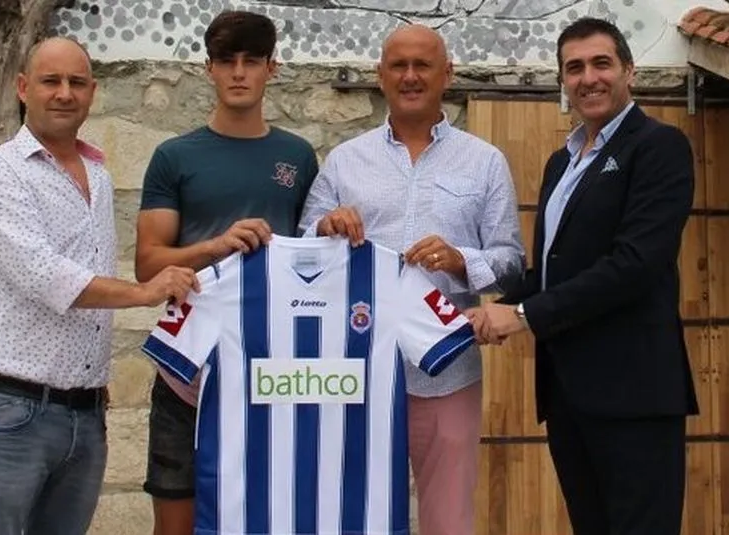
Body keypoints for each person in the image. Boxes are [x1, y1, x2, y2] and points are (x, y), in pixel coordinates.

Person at [0, 37, 199, 535]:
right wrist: (145, 292)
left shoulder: (98, 175)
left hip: (85, 415)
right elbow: (43, 275)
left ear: (92, 92)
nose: (64, 93)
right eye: (51, 81)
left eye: (76, 82)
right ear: (23, 88)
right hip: (11, 413)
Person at [470, 17, 700, 535]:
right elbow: (554, 271)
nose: (588, 78)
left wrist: (523, 315)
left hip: (634, 393)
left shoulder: (659, 147)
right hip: (569, 392)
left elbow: (635, 264)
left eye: (601, 63)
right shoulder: (562, 162)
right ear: (562, 80)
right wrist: (491, 307)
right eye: (574, 68)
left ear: (629, 72)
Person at [298, 24, 525, 535]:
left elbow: (512, 260)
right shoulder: (344, 160)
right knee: (357, 518)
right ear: (380, 76)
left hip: (447, 373)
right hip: (357, 371)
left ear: (448, 75)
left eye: (423, 65)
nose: (410, 76)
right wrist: (325, 228)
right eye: (398, 65)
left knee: (448, 521)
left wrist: (461, 260)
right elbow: (303, 249)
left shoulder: (485, 162)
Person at [133, 10, 319, 535]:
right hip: (187, 363)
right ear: (208, 70)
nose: (239, 73)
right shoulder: (174, 156)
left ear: (271, 69)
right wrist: (215, 245)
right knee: (176, 517)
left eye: (251, 61)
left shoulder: (298, 157)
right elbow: (149, 261)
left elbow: (312, 256)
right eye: (227, 61)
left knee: (269, 515)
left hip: (272, 363)